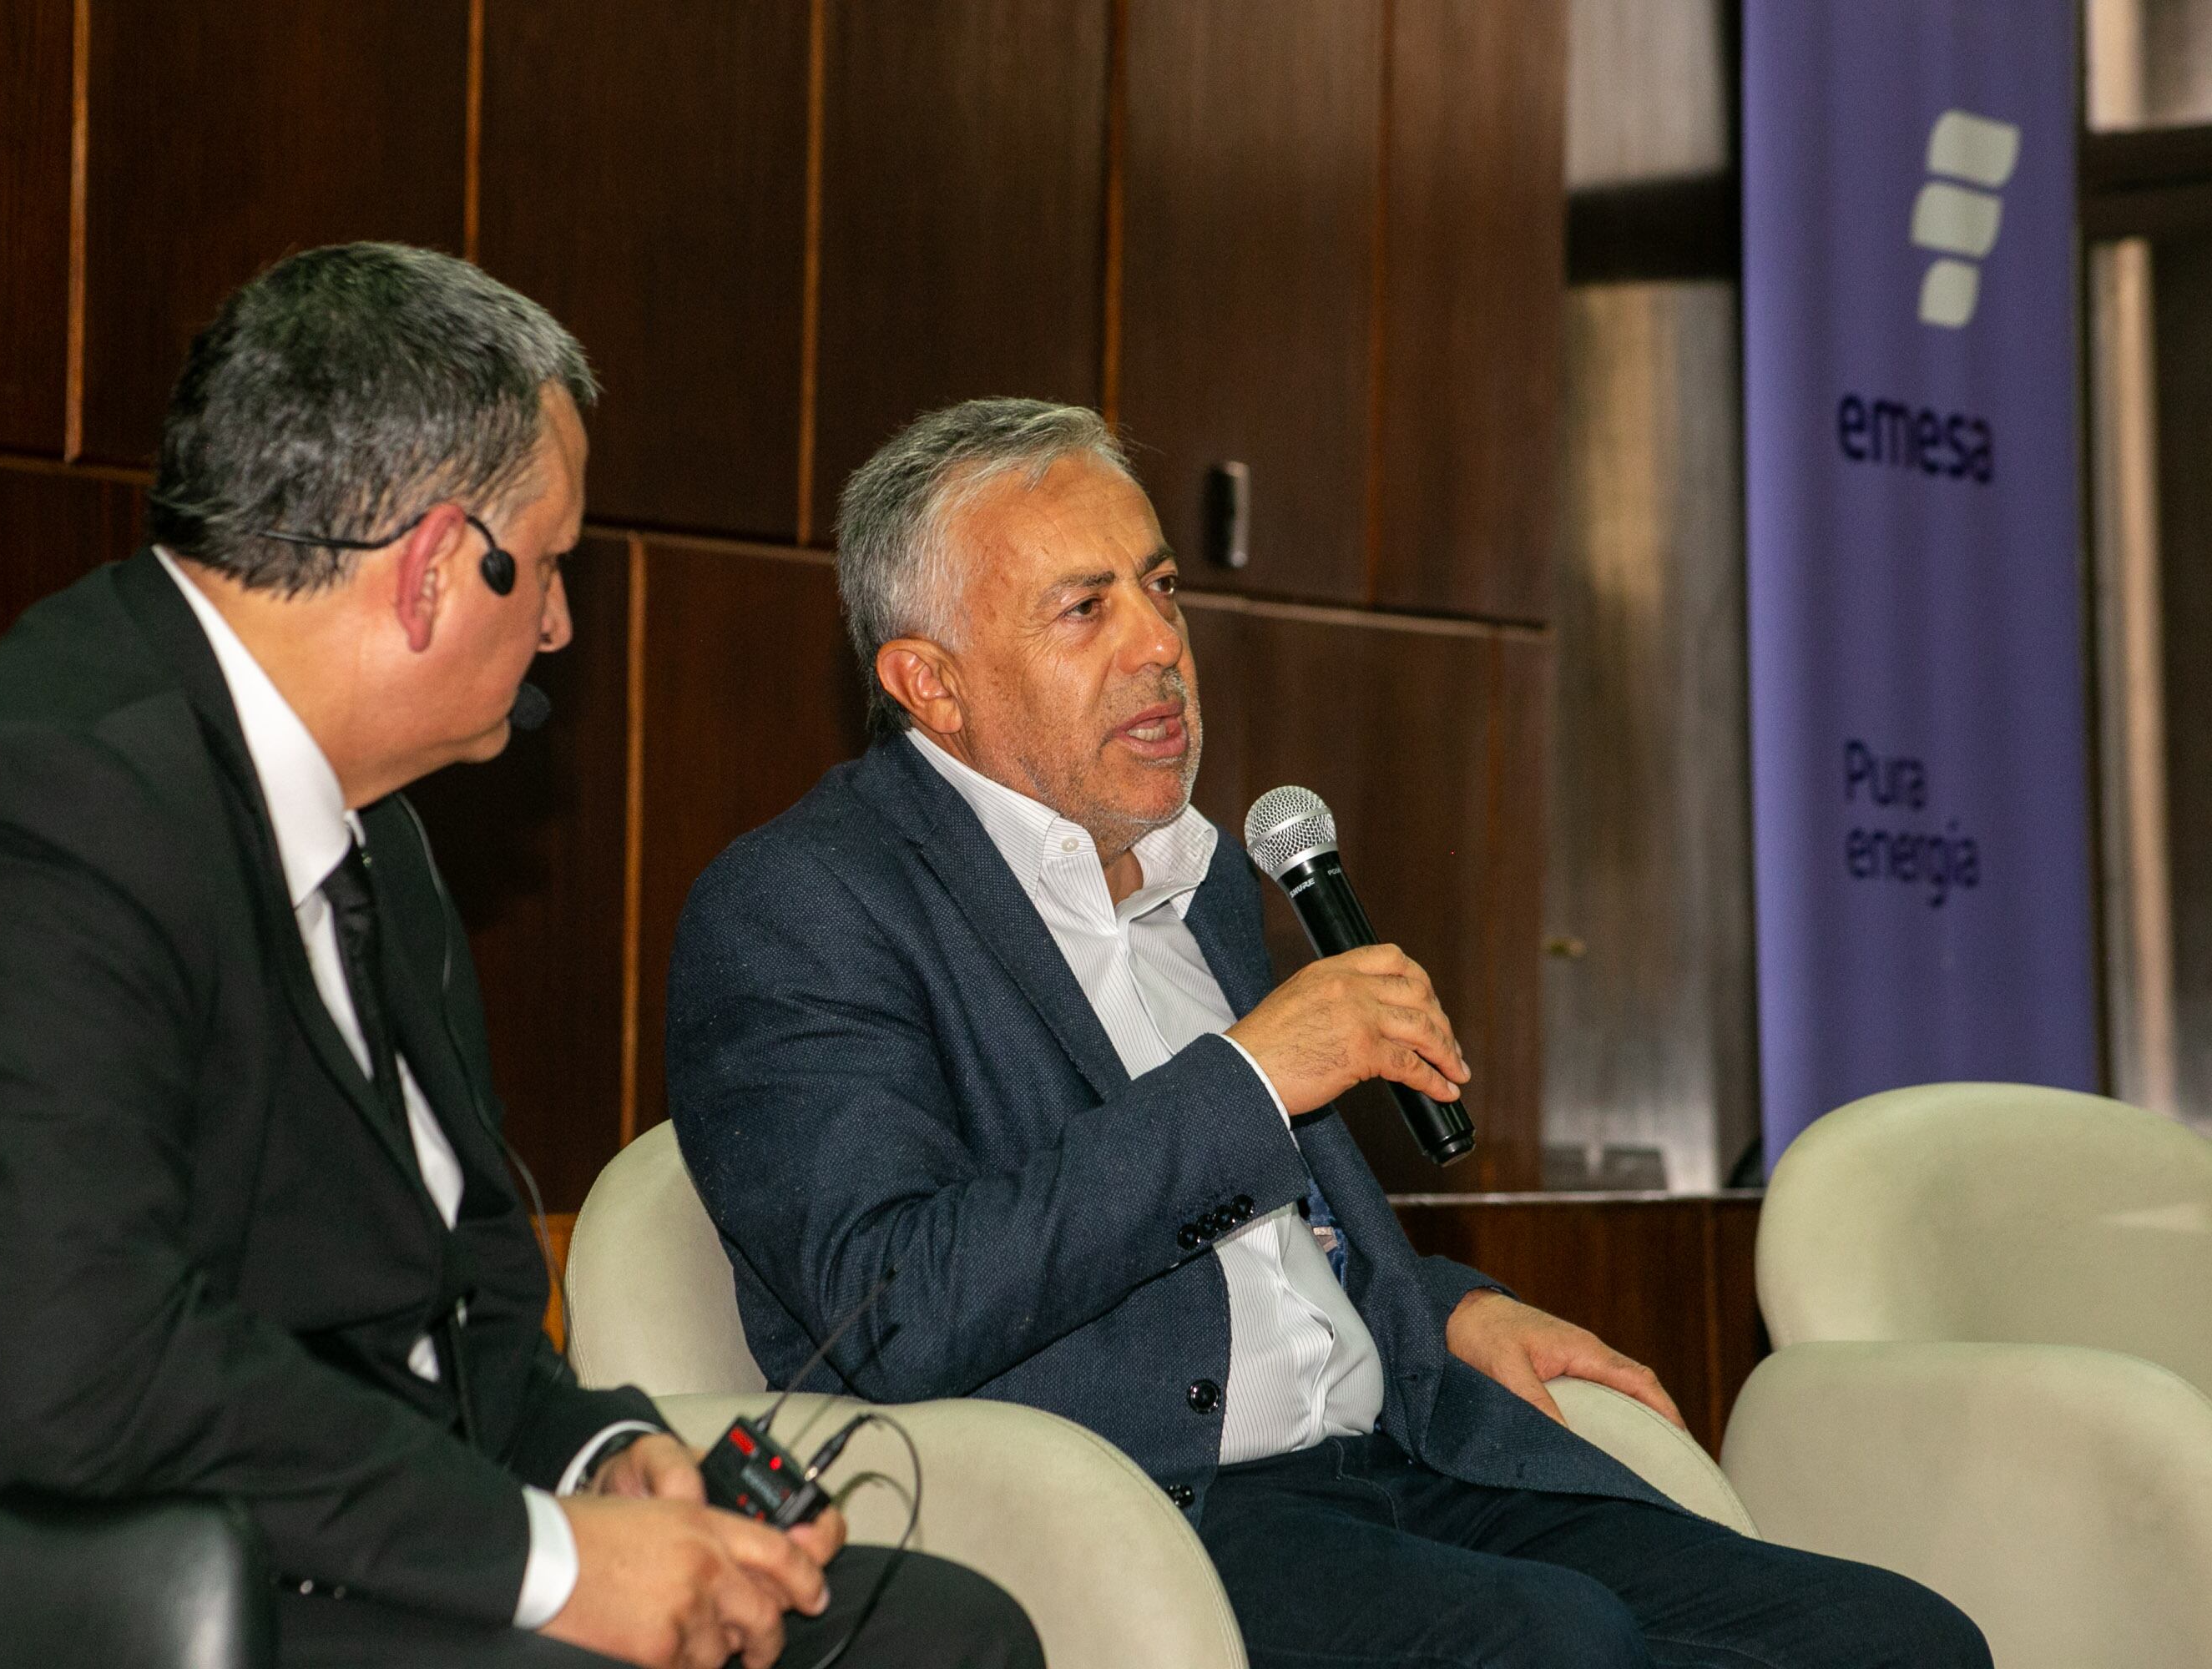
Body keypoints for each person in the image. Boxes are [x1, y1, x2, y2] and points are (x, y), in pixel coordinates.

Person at [0, 245, 1038, 1669]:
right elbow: (76, 1369)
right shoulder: (44, 805)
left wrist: (600, 1463)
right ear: (434, 569)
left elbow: (447, 1307)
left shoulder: (367, 830)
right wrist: (552, 1561)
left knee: (936, 1633)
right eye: (550, 565)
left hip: (270, 1525)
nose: (562, 623)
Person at [664, 398, 1992, 1669]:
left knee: (1901, 1641)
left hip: (1404, 1458)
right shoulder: (805, 905)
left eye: (1163, 586)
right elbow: (889, 1307)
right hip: (1152, 1510)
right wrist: (1249, 1081)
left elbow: (1279, 1257)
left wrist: (1444, 1305)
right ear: (930, 684)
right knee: (1554, 1649)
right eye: (1087, 607)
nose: (1160, 646)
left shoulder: (1210, 889)